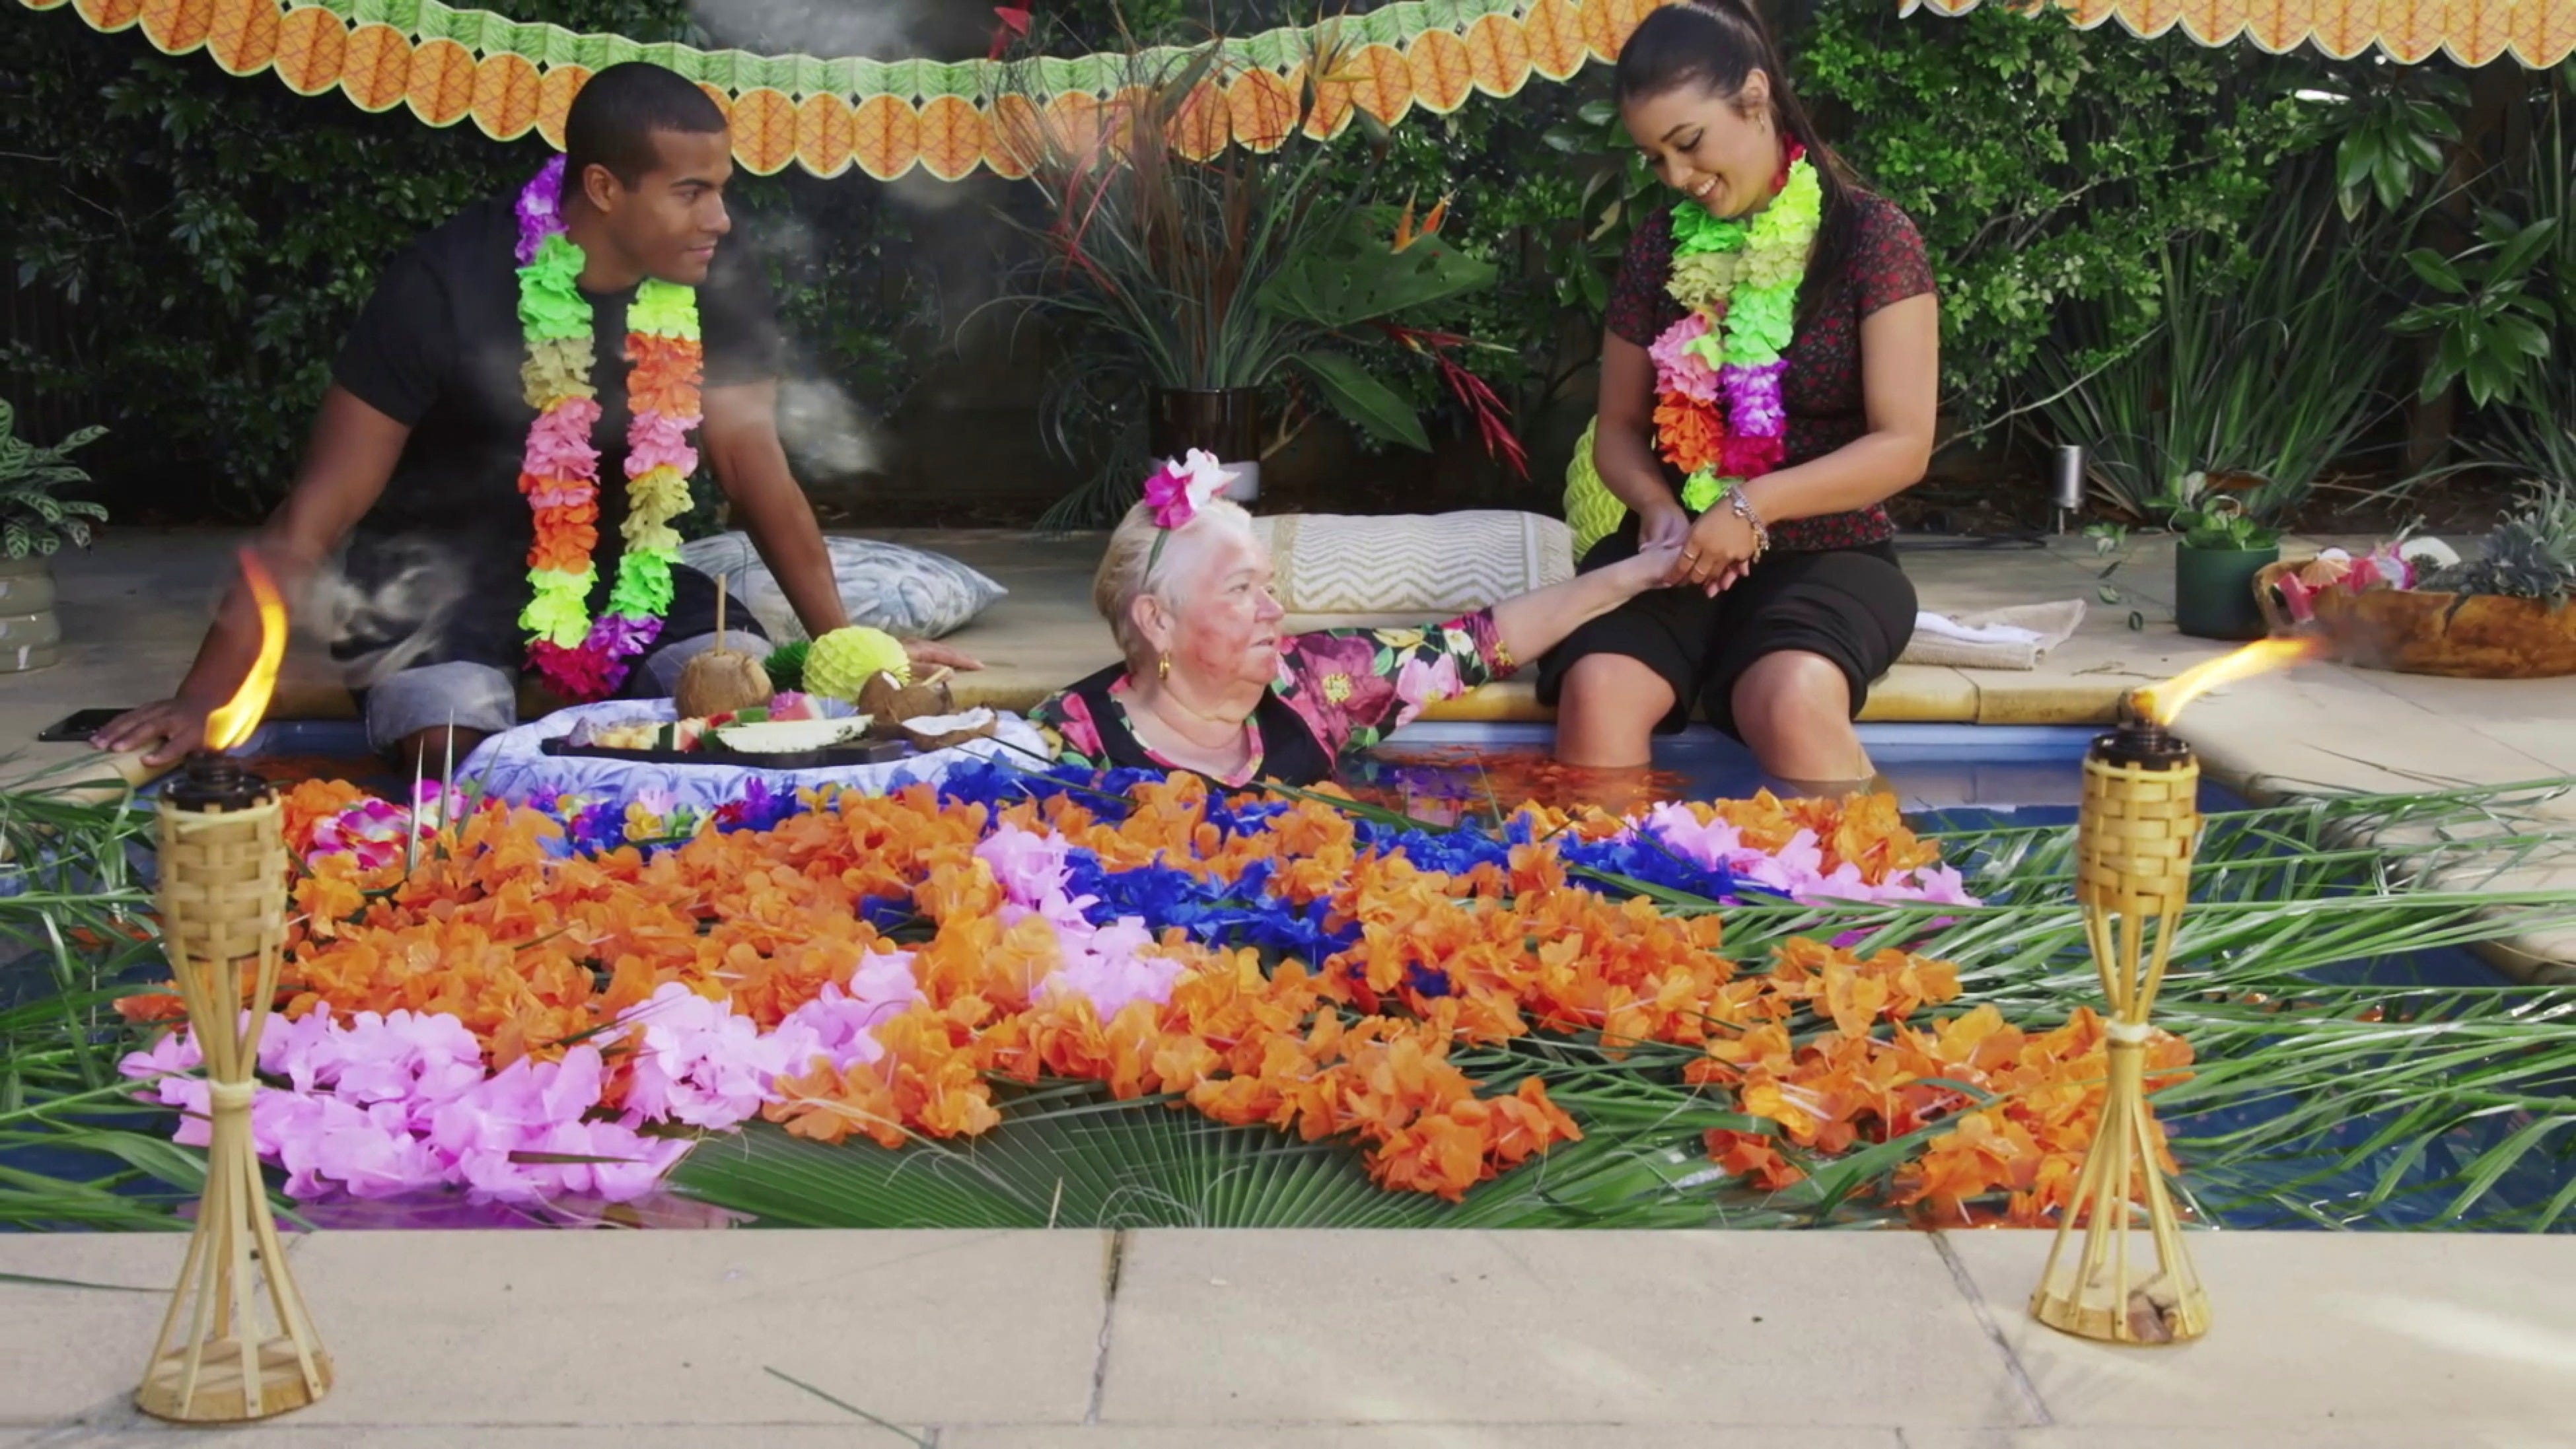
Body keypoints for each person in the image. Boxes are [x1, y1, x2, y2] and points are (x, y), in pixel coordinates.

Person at [94, 62, 972, 776]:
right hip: (429, 577)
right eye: (692, 192)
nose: (721, 217)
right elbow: (320, 508)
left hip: (632, 579)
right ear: (603, 187)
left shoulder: (715, 275)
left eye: (721, 190)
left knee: (736, 713)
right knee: (451, 749)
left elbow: (755, 470)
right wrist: (206, 692)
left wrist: (850, 646)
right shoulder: (444, 282)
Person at [1541, 0, 1937, 791]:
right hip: (1677, 550)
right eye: (1656, 159)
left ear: (1755, 98)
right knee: (1599, 690)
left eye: (1688, 144)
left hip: (1831, 551)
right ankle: (1613, 908)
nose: (1678, 178)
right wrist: (1655, 505)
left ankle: (1867, 908)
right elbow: (1617, 427)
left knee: (1790, 698)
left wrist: (1754, 505)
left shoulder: (1870, 237)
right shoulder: (1660, 245)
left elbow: (1904, 444)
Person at [1032, 484, 1680, 788]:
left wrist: (1639, 573)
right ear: (1156, 620)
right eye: (1240, 590)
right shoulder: (1067, 741)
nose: (1272, 610)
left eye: (1269, 584)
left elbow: (1477, 644)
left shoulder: (1312, 681)